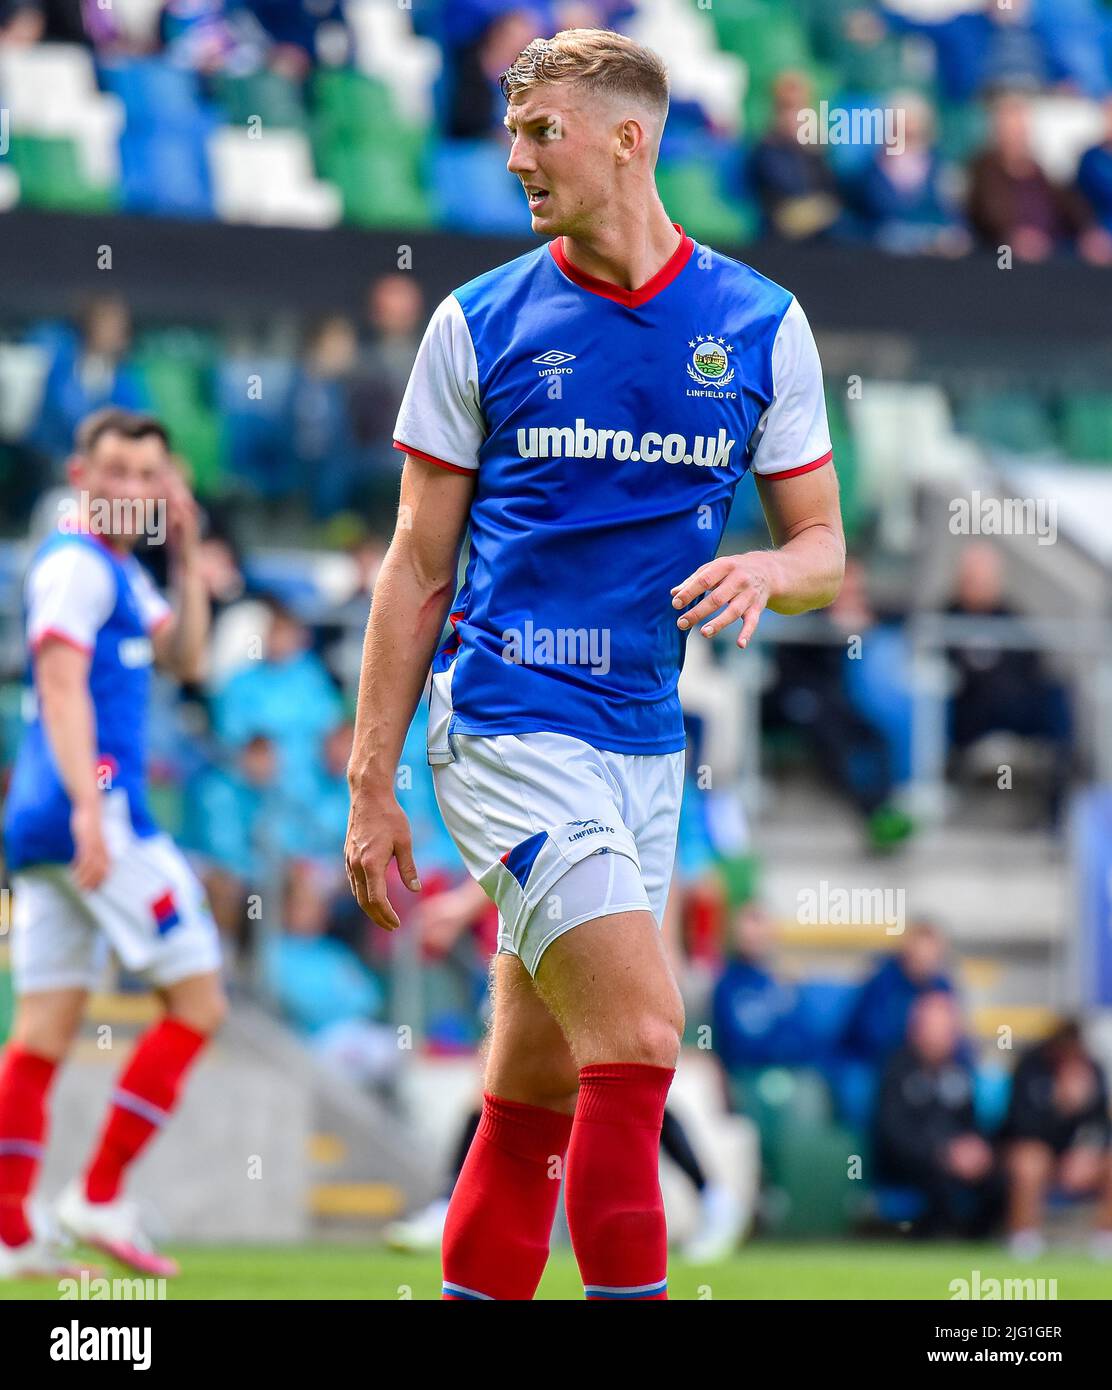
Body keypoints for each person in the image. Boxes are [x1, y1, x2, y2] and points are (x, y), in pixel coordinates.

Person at [344, 27, 844, 1302]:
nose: (515, 156)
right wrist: (370, 781)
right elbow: (412, 566)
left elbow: (823, 547)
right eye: (510, 131)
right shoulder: (476, 322)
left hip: (644, 744)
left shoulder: (759, 325)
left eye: (539, 131)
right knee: (635, 1035)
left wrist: (768, 572)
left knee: (528, 1099)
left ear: (629, 138)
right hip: (508, 722)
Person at [0, 407, 224, 1278]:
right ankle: (97, 1193)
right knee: (200, 1003)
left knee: (44, 1030)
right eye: (117, 473)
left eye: (148, 476)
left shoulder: (124, 573)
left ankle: (11, 1235)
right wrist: (93, 811)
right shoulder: (77, 568)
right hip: (95, 819)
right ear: (81, 477)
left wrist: (189, 542)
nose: (132, 490)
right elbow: (59, 687)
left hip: (40, 830)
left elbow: (191, 663)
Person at [874, 991, 1001, 1239]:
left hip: (955, 1158)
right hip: (911, 1161)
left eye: (946, 1029)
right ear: (916, 1030)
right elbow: (893, 1132)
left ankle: (977, 1242)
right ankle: (935, 1240)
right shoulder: (896, 1071)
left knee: (998, 1178)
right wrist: (942, 1153)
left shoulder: (959, 1072)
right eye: (933, 1028)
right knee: (938, 1180)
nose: (940, 1037)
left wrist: (975, 1150)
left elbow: (970, 1123)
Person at [1000, 1021, 1112, 1259]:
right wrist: (1059, 1106)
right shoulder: (1030, 1068)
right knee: (1030, 1161)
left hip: (1077, 1157)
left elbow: (1100, 1125)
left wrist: (1085, 1150)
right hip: (1038, 1152)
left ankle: (1105, 1239)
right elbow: (1020, 1126)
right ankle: (1024, 1239)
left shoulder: (1092, 1070)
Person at [842, 919, 955, 1066]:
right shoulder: (882, 982)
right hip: (871, 1061)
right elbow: (870, 1033)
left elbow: (956, 1039)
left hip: (921, 1063)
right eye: (919, 956)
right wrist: (919, 1033)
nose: (924, 962)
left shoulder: (942, 987)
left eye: (929, 957)